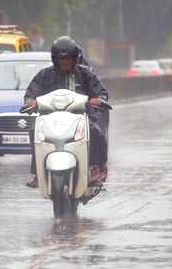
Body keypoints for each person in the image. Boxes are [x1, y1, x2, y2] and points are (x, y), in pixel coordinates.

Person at [24, 36, 109, 188]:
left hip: (80, 117)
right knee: (34, 131)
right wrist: (30, 102)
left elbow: (101, 92)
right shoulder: (45, 75)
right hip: (50, 118)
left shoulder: (86, 74)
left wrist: (99, 99)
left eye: (68, 59)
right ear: (55, 60)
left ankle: (96, 168)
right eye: (61, 60)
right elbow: (31, 93)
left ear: (75, 59)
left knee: (95, 131)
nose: (65, 63)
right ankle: (38, 172)